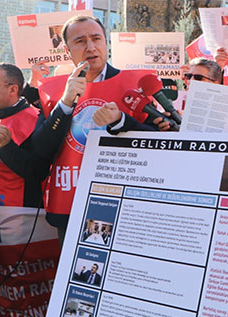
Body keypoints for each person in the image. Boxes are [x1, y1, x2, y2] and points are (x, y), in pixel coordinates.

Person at [29, 15, 164, 245]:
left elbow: (159, 141)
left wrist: (121, 121)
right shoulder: (53, 90)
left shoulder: (135, 83)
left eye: (96, 39)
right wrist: (65, 104)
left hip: (125, 205)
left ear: (105, 43)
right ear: (67, 49)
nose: (90, 47)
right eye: (80, 41)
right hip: (70, 204)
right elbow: (40, 150)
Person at [0, 63, 54, 317]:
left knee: (24, 300)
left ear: (12, 89)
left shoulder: (37, 120)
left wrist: (8, 148)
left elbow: (39, 171)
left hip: (23, 232)